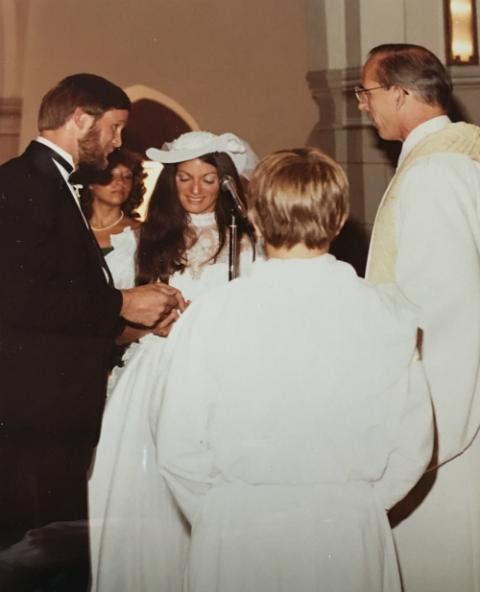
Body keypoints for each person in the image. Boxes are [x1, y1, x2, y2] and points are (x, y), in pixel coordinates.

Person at [155, 147, 433, 592]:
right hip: (345, 526)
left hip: (238, 527)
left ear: (257, 221)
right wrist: (358, 504)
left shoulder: (212, 315)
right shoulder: (386, 314)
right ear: (340, 219)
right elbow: (413, 444)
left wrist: (220, 510)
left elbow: (176, 445)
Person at [0, 73, 184, 592]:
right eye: (114, 129)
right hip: (33, 416)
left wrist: (124, 324)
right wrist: (122, 302)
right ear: (80, 119)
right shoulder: (20, 185)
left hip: (52, 411)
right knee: (33, 562)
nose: (118, 144)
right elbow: (17, 300)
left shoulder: (52, 183)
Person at [88, 131, 259, 592]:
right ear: (170, 181)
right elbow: (112, 320)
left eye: (207, 178)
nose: (196, 189)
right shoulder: (143, 239)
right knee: (144, 498)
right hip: (154, 377)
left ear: (225, 183)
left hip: (220, 379)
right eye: (184, 178)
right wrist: (150, 324)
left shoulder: (247, 244)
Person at [358, 43, 480, 592]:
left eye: (368, 93)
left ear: (402, 94)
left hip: (451, 425)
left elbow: (449, 316)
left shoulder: (436, 175)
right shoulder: (451, 161)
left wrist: (422, 440)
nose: (363, 106)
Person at [80, 148, 145, 289]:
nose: (120, 182)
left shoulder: (141, 233)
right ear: (90, 183)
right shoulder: (71, 229)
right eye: (111, 175)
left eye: (127, 176)